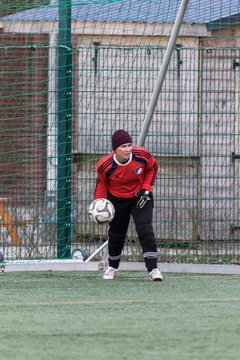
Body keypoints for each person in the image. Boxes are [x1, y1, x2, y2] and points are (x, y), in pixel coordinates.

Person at [94, 129, 163, 281]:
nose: (127, 149)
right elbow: (101, 183)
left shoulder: (142, 155)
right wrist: (98, 204)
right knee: (116, 234)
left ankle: (153, 269)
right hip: (117, 199)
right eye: (123, 146)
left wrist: (146, 188)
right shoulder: (105, 164)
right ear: (115, 149)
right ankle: (112, 267)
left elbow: (153, 168)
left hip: (140, 197)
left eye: (129, 145)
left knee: (145, 230)